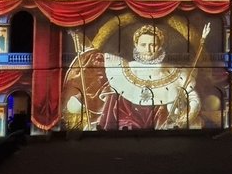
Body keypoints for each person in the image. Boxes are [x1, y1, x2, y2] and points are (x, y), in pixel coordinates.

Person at [63, 23, 208, 130]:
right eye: (143, 45)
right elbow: (95, 57)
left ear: (160, 46)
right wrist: (79, 37)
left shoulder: (177, 72)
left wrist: (188, 115)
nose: (149, 49)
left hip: (162, 125)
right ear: (136, 46)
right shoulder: (123, 68)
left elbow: (193, 97)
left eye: (153, 44)